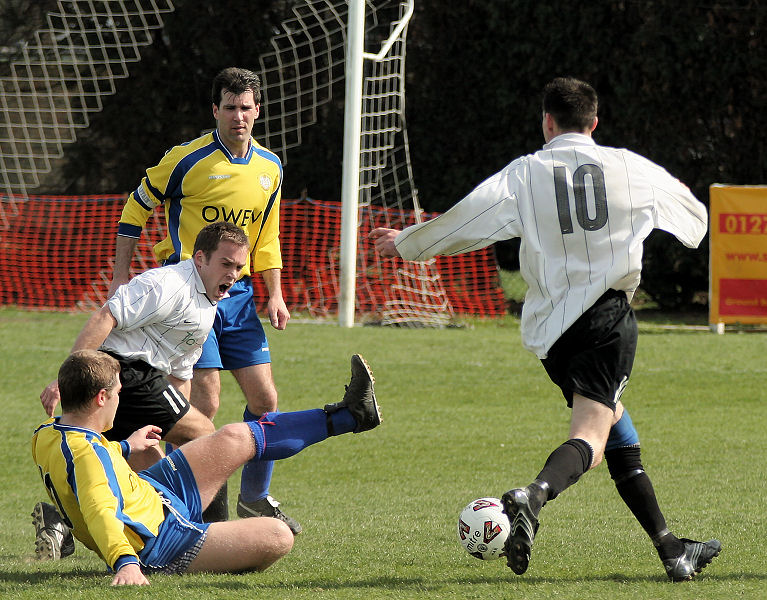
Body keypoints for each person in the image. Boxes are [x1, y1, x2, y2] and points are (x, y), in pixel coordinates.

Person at [370, 77, 720, 582]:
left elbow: (465, 220)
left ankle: (671, 549)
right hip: (605, 323)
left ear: (547, 123)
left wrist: (406, 242)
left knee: (618, 431)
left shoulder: (525, 173)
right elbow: (694, 220)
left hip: (552, 336)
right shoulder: (630, 166)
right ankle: (532, 495)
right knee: (591, 440)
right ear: (594, 123)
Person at [107, 67, 297, 531]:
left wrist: (274, 293)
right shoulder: (187, 159)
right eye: (229, 107)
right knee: (201, 409)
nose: (238, 116)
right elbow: (136, 206)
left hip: (240, 295)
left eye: (246, 107)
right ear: (215, 110)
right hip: (189, 297)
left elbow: (265, 237)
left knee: (265, 399)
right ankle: (183, 508)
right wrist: (119, 277)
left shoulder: (269, 167)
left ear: (258, 110)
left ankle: (255, 499)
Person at [32, 349, 381, 585]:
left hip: (156, 493)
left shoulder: (47, 434)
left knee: (231, 436)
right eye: (119, 392)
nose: (120, 398)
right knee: (278, 536)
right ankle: (204, 547)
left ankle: (352, 414)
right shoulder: (87, 456)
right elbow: (99, 509)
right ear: (101, 398)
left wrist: (125, 446)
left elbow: (81, 461)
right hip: (162, 543)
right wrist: (125, 562)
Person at [34, 221, 251, 559]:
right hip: (122, 372)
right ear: (200, 259)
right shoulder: (166, 284)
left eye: (239, 266)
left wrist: (175, 423)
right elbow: (106, 316)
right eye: (226, 264)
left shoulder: (207, 303)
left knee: (150, 470)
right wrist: (69, 378)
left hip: (135, 382)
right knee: (206, 435)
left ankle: (63, 524)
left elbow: (180, 371)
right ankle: (213, 530)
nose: (233, 273)